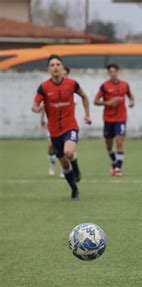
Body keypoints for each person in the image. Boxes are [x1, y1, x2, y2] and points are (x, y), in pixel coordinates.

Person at [32, 55, 91, 199]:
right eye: (52, 65)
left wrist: (87, 114)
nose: (55, 67)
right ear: (48, 69)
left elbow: (84, 96)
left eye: (58, 64)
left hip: (70, 126)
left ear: (62, 68)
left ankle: (76, 168)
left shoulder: (72, 84)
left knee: (69, 153)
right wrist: (37, 109)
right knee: (64, 164)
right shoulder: (44, 87)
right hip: (54, 131)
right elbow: (34, 105)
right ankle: (74, 189)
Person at [94, 63, 135, 177]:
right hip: (108, 119)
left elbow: (131, 96)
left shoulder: (125, 85)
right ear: (108, 73)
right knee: (108, 146)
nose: (113, 73)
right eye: (110, 72)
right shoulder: (104, 86)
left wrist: (132, 102)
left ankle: (117, 168)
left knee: (119, 141)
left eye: (115, 71)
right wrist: (108, 103)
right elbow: (95, 101)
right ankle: (114, 162)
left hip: (121, 118)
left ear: (118, 72)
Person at [40, 66, 70, 177]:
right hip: (52, 123)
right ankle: (52, 163)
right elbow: (44, 106)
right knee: (50, 145)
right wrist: (42, 119)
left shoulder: (70, 90)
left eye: (66, 74)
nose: (64, 75)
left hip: (66, 124)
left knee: (65, 148)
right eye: (63, 73)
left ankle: (64, 168)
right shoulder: (49, 87)